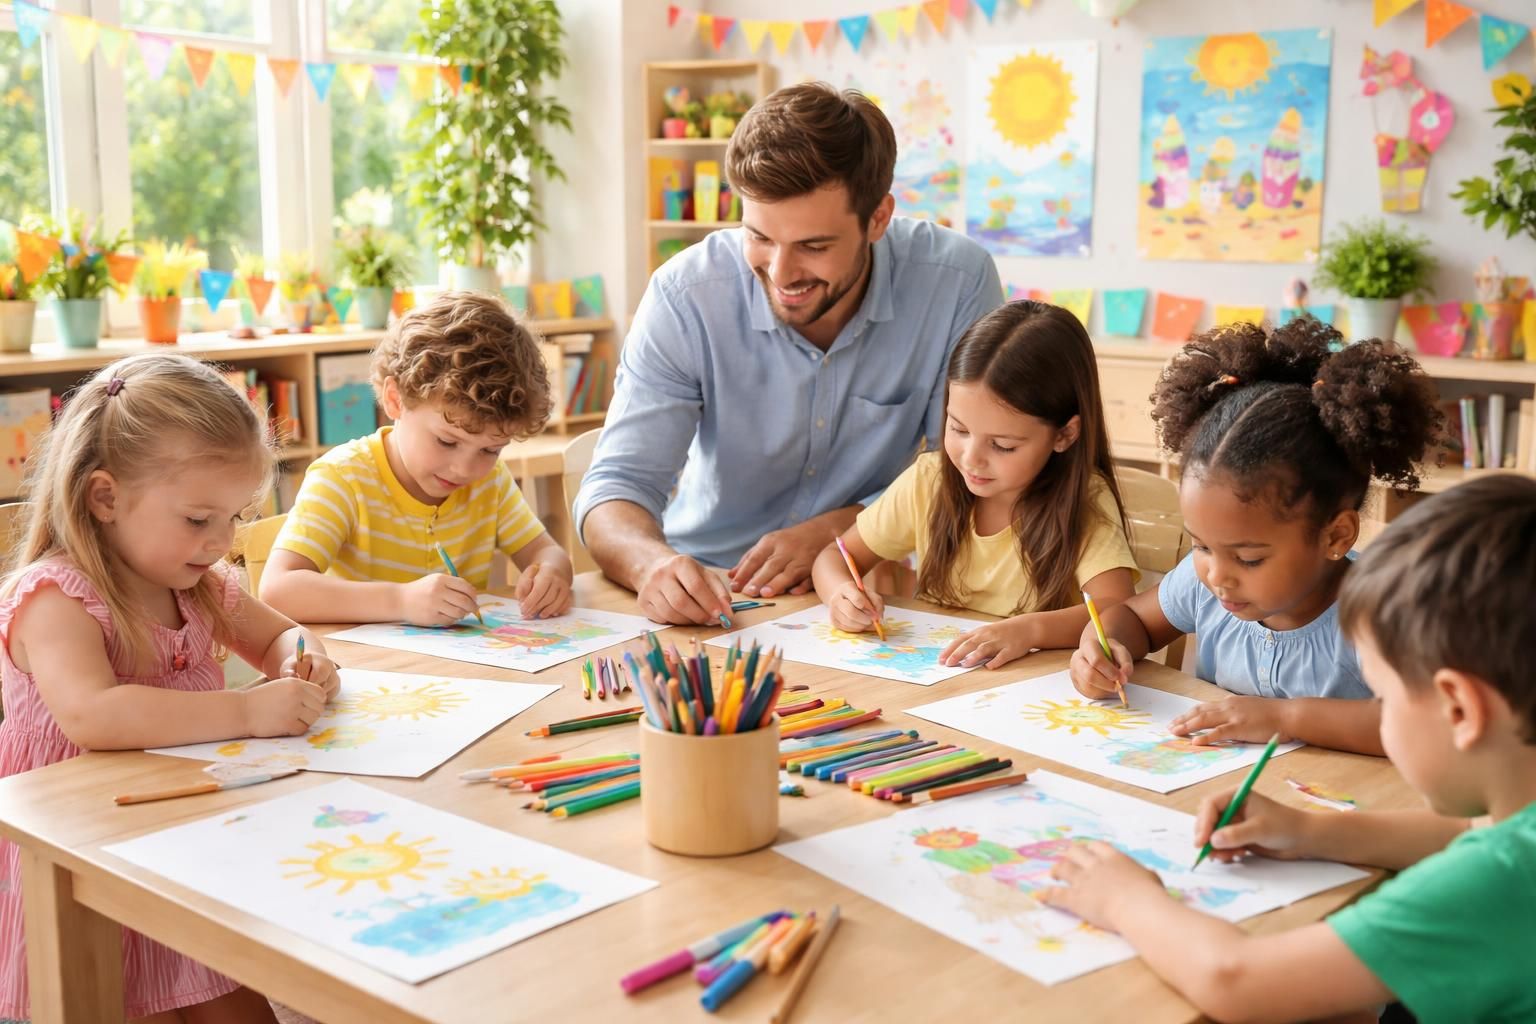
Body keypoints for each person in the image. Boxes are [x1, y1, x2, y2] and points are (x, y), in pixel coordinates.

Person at [1043, 475, 1536, 1024]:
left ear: (1461, 711)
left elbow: (1238, 981)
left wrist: (1124, 901)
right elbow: (1470, 834)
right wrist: (1310, 832)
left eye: (1387, 699)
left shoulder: (1499, 880)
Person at [575, 82, 1002, 625]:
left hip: (863, 591)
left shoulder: (958, 284)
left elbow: (973, 471)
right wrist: (650, 565)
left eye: (814, 247)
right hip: (710, 593)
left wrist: (839, 533)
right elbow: (617, 487)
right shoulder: (685, 296)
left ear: (877, 218)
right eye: (760, 238)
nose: (780, 274)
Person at [0, 353, 341, 1023]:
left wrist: (305, 662)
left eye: (235, 517)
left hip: (180, 843)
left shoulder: (198, 583)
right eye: (197, 520)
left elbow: (282, 634)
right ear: (105, 498)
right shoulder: (53, 599)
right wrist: (245, 708)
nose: (221, 541)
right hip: (83, 860)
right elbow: (94, 716)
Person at [1069, 319, 1440, 754]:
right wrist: (1103, 646)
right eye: (1202, 545)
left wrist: (1285, 718)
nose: (1217, 576)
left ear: (1335, 536)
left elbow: (1418, 723)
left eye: (1248, 559)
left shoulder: (1375, 613)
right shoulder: (1204, 580)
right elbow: (1133, 621)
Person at [812, 301, 1138, 669]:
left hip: (1026, 689)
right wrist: (841, 594)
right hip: (936, 684)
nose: (970, 458)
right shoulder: (929, 481)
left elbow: (1115, 609)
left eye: (1002, 445)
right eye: (958, 429)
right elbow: (836, 556)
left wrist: (1028, 631)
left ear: (1064, 434)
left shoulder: (1085, 500)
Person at [261, 292, 574, 625]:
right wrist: (400, 600)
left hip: (459, 670)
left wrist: (551, 573)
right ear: (395, 400)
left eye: (490, 450)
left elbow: (547, 552)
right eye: (446, 441)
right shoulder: (343, 477)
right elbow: (278, 590)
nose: (465, 468)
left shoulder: (491, 482)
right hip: (364, 670)